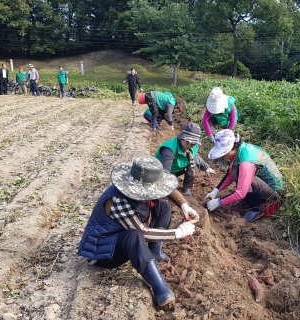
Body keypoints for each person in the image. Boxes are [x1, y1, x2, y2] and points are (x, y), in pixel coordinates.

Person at [78, 156, 200, 307]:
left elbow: (169, 191)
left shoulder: (141, 188)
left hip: (122, 235)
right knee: (133, 236)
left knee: (163, 207)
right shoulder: (117, 201)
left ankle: (154, 253)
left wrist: (184, 206)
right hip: (103, 252)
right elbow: (143, 232)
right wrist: (178, 232)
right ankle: (160, 287)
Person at [204, 129, 284, 222]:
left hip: (273, 191)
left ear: (233, 148)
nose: (224, 155)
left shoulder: (246, 160)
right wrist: (215, 191)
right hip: (261, 183)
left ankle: (254, 209)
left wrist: (218, 202)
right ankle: (247, 201)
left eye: (225, 152)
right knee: (236, 170)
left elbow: (240, 193)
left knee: (243, 176)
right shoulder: (240, 150)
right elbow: (230, 174)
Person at [155, 122, 215, 196]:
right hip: (160, 172)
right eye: (188, 142)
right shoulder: (169, 149)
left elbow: (195, 156)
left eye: (193, 143)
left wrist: (205, 167)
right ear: (182, 137)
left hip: (176, 169)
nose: (190, 145)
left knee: (192, 161)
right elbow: (165, 171)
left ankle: (187, 188)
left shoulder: (193, 146)